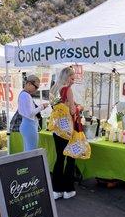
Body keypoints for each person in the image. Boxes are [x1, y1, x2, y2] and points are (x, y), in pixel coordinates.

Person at [49, 67, 83, 200]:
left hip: (57, 130)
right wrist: (79, 107)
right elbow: (73, 111)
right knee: (71, 157)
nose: (73, 81)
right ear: (67, 77)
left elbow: (56, 106)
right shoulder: (67, 90)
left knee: (59, 159)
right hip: (69, 130)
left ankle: (56, 190)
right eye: (72, 78)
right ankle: (68, 189)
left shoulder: (54, 89)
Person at [18, 75, 49, 151]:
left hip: (27, 124)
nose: (36, 89)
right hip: (29, 125)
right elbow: (30, 114)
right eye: (35, 87)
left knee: (28, 150)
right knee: (31, 151)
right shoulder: (26, 95)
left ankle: (27, 162)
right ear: (28, 84)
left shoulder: (24, 94)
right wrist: (42, 107)